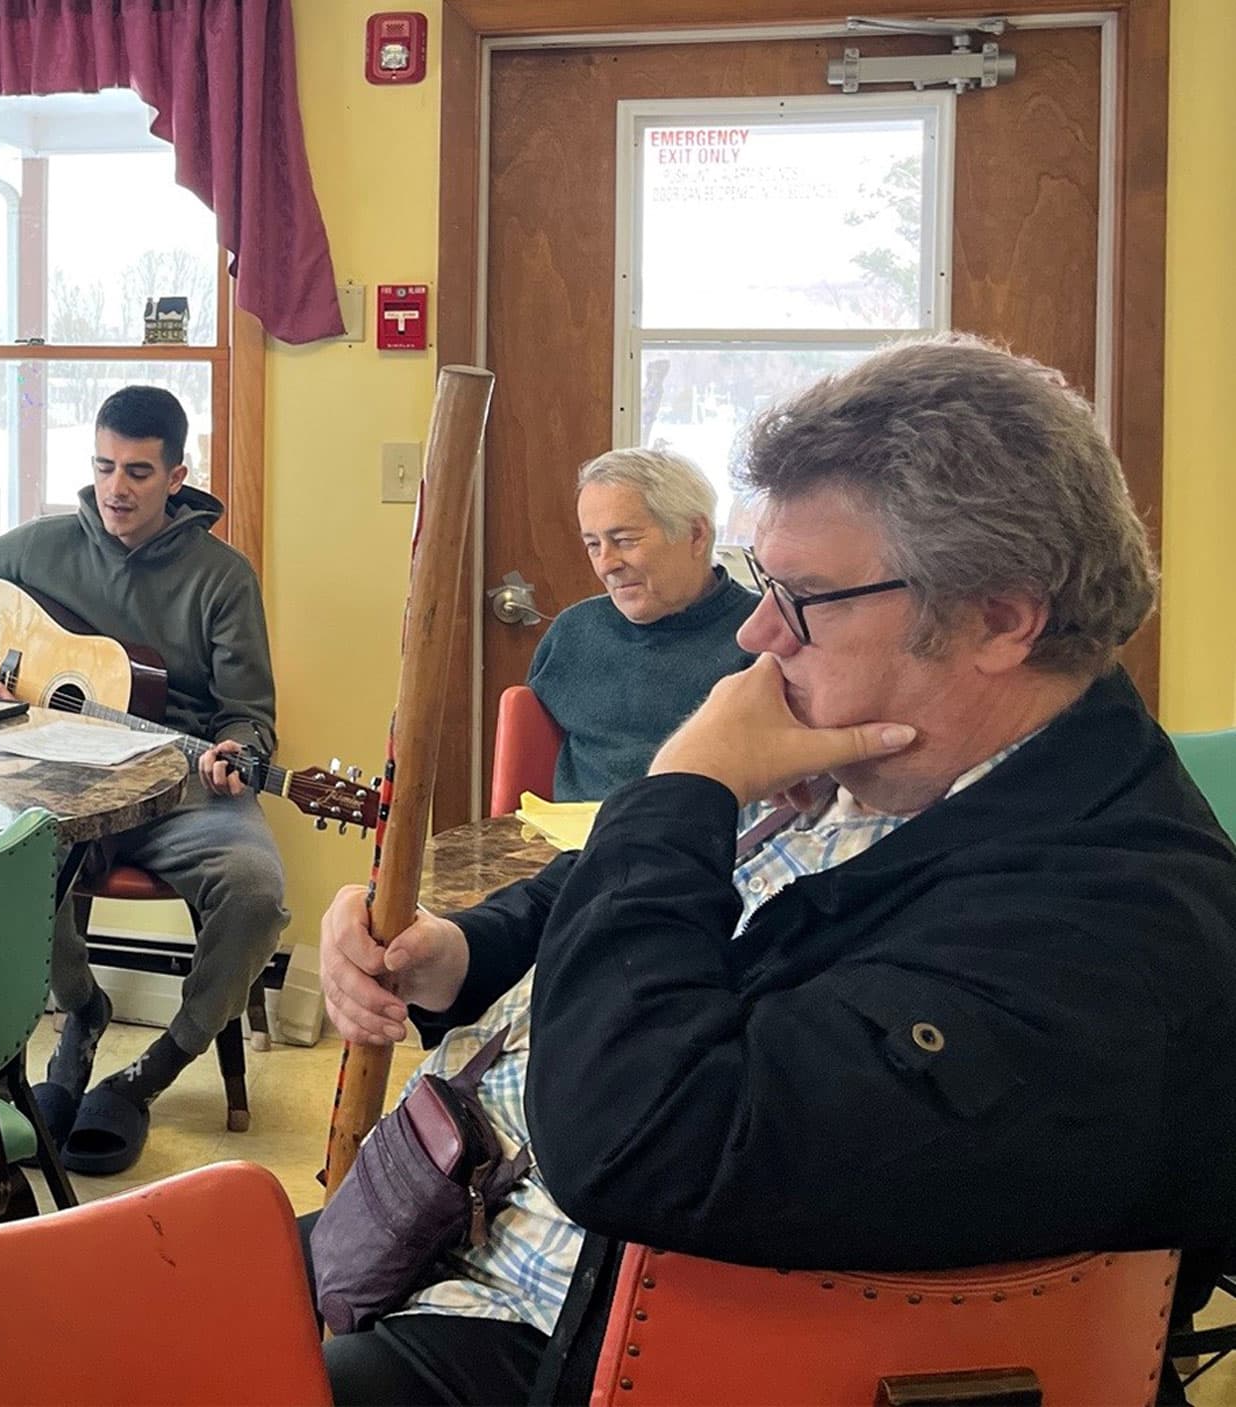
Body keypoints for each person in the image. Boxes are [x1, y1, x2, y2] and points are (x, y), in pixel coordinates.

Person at [311, 336, 1236, 1405]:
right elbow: (652, 901)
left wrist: (682, 789)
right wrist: (465, 951)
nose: (756, 632)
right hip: (441, 1239)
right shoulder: (891, 761)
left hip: (586, 1349)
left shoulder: (1110, 933)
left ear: (999, 615)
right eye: (761, 584)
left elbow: (636, 1135)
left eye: (802, 598)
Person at [0, 384, 286, 1176]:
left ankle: (150, 1072)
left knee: (256, 890)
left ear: (178, 476)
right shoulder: (39, 546)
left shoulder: (222, 578)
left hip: (181, 786)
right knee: (7, 867)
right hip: (56, 783)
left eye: (139, 471)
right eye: (105, 466)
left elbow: (249, 717)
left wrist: (234, 755)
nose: (117, 488)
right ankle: (81, 1009)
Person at [524, 447, 757, 801]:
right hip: (577, 846)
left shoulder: (762, 636)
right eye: (593, 544)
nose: (606, 564)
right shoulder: (573, 633)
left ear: (696, 534)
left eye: (624, 541)